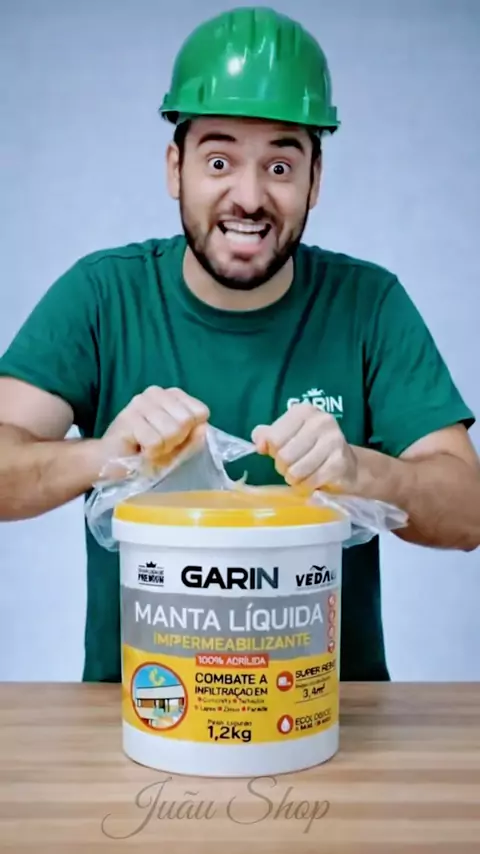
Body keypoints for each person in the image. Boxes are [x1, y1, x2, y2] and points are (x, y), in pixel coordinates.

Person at [0, 6, 479, 684]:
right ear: (176, 169)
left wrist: (360, 473)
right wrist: (103, 456)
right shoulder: (102, 296)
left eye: (280, 166)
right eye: (219, 161)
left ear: (315, 179)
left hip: (325, 714)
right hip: (144, 710)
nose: (249, 197)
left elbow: (469, 513)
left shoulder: (369, 305)